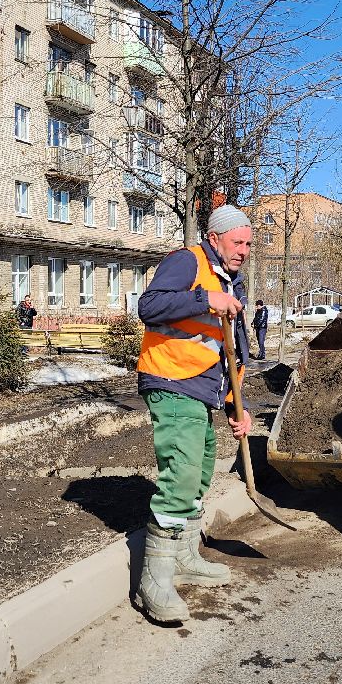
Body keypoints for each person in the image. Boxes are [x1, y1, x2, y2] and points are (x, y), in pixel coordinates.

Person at [133, 203, 253, 624]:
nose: (243, 250)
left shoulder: (231, 282)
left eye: (248, 244)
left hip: (202, 388)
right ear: (215, 238)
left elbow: (231, 351)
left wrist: (238, 407)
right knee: (181, 475)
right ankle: (154, 581)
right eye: (237, 242)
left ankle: (184, 557)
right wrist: (206, 298)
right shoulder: (188, 262)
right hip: (171, 379)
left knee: (199, 471)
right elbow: (149, 306)